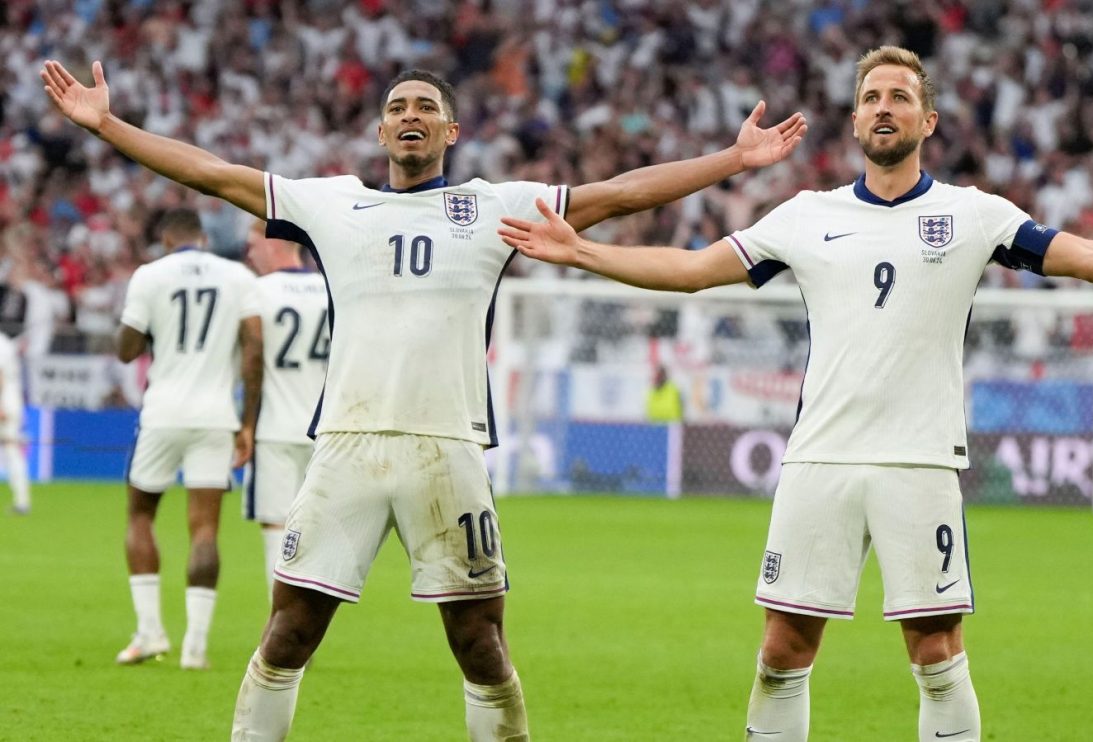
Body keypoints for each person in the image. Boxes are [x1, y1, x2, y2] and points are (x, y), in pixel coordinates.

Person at [496, 46, 1093, 742]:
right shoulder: (807, 216)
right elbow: (695, 270)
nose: (884, 106)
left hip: (920, 461)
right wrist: (584, 253)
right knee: (782, 650)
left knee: (937, 652)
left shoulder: (973, 214)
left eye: (900, 96)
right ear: (853, 120)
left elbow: (1084, 255)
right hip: (821, 459)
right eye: (871, 96)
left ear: (928, 120)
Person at [43, 59, 804, 741]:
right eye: (397, 107)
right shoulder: (331, 204)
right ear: (380, 130)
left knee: (479, 641)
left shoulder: (499, 206)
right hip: (347, 447)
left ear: (451, 130)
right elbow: (213, 174)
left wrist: (733, 159)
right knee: (289, 632)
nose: (410, 115)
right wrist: (108, 125)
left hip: (448, 450)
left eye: (425, 108)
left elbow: (617, 194)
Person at [114, 207, 263, 670]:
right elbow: (254, 352)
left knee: (141, 515)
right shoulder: (238, 276)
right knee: (205, 529)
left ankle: (150, 632)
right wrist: (248, 422)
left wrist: (150, 327)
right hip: (216, 415)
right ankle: (195, 648)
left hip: (162, 413)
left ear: (166, 240)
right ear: (202, 239)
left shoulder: (150, 275)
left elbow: (126, 351)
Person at [242, 220, 329, 597]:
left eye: (253, 245)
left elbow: (249, 360)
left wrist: (243, 424)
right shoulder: (331, 288)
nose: (249, 255)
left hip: (274, 429)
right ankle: (310, 626)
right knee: (319, 535)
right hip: (326, 433)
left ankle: (280, 624)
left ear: (272, 244)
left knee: (276, 529)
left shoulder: (256, 292)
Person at [0, 330, 30, 515]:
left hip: (6, 402)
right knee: (12, 451)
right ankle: (22, 500)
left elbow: (0, 377)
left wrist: (1, 406)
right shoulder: (6, 342)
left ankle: (22, 502)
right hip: (12, 400)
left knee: (11, 450)